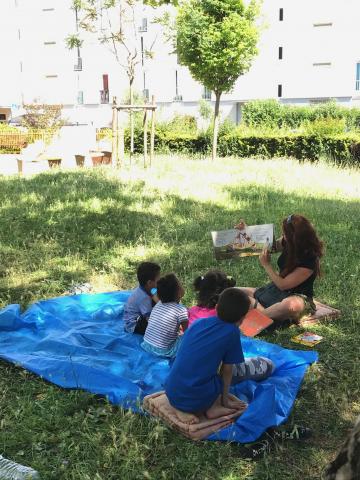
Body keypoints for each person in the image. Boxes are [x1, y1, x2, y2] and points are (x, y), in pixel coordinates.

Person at [165, 288, 274, 424]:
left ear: (216, 307)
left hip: (171, 389)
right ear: (242, 318)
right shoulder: (232, 332)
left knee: (200, 375)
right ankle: (213, 408)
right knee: (218, 379)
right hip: (194, 399)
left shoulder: (198, 323)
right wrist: (225, 399)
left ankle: (181, 408)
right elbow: (227, 371)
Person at [235, 215, 324, 324]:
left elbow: (283, 285)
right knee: (234, 292)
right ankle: (266, 312)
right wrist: (246, 233)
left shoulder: (310, 258)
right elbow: (264, 247)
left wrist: (267, 265)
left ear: (295, 237)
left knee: (288, 305)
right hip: (275, 292)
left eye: (285, 234)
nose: (282, 236)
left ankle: (250, 319)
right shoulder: (287, 242)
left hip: (298, 297)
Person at [141, 274, 188, 358]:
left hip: (146, 345)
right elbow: (186, 331)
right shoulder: (181, 310)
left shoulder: (158, 304)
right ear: (178, 293)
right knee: (185, 339)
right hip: (164, 351)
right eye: (180, 285)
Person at [123, 262, 161, 335]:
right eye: (158, 280)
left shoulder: (146, 288)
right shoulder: (143, 298)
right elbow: (150, 319)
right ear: (149, 283)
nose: (160, 281)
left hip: (139, 315)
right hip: (134, 324)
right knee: (157, 329)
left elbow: (155, 296)